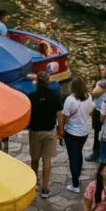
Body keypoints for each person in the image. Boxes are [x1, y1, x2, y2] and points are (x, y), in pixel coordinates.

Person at [28, 71, 63, 199]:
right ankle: (45, 188)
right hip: (49, 131)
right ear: (48, 82)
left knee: (35, 158)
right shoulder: (54, 96)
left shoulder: (31, 96)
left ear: (36, 82)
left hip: (35, 131)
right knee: (46, 159)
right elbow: (59, 114)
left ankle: (34, 184)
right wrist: (60, 129)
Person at [61, 75, 93, 191]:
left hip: (72, 133)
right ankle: (78, 174)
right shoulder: (89, 97)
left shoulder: (70, 100)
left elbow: (65, 118)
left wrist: (61, 129)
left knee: (73, 157)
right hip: (84, 132)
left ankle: (75, 185)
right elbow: (90, 112)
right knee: (79, 153)